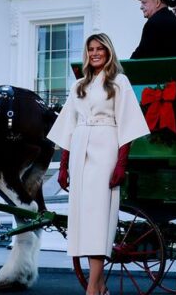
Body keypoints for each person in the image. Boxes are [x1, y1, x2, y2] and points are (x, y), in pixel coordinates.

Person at [48, 34, 151, 295]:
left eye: (99, 49)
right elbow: (68, 126)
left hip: (105, 148)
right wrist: (63, 165)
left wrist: (121, 165)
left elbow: (127, 124)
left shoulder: (119, 82)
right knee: (82, 220)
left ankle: (93, 286)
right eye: (90, 49)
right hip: (80, 150)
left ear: (108, 52)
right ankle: (100, 284)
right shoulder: (79, 86)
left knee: (98, 218)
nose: (95, 53)